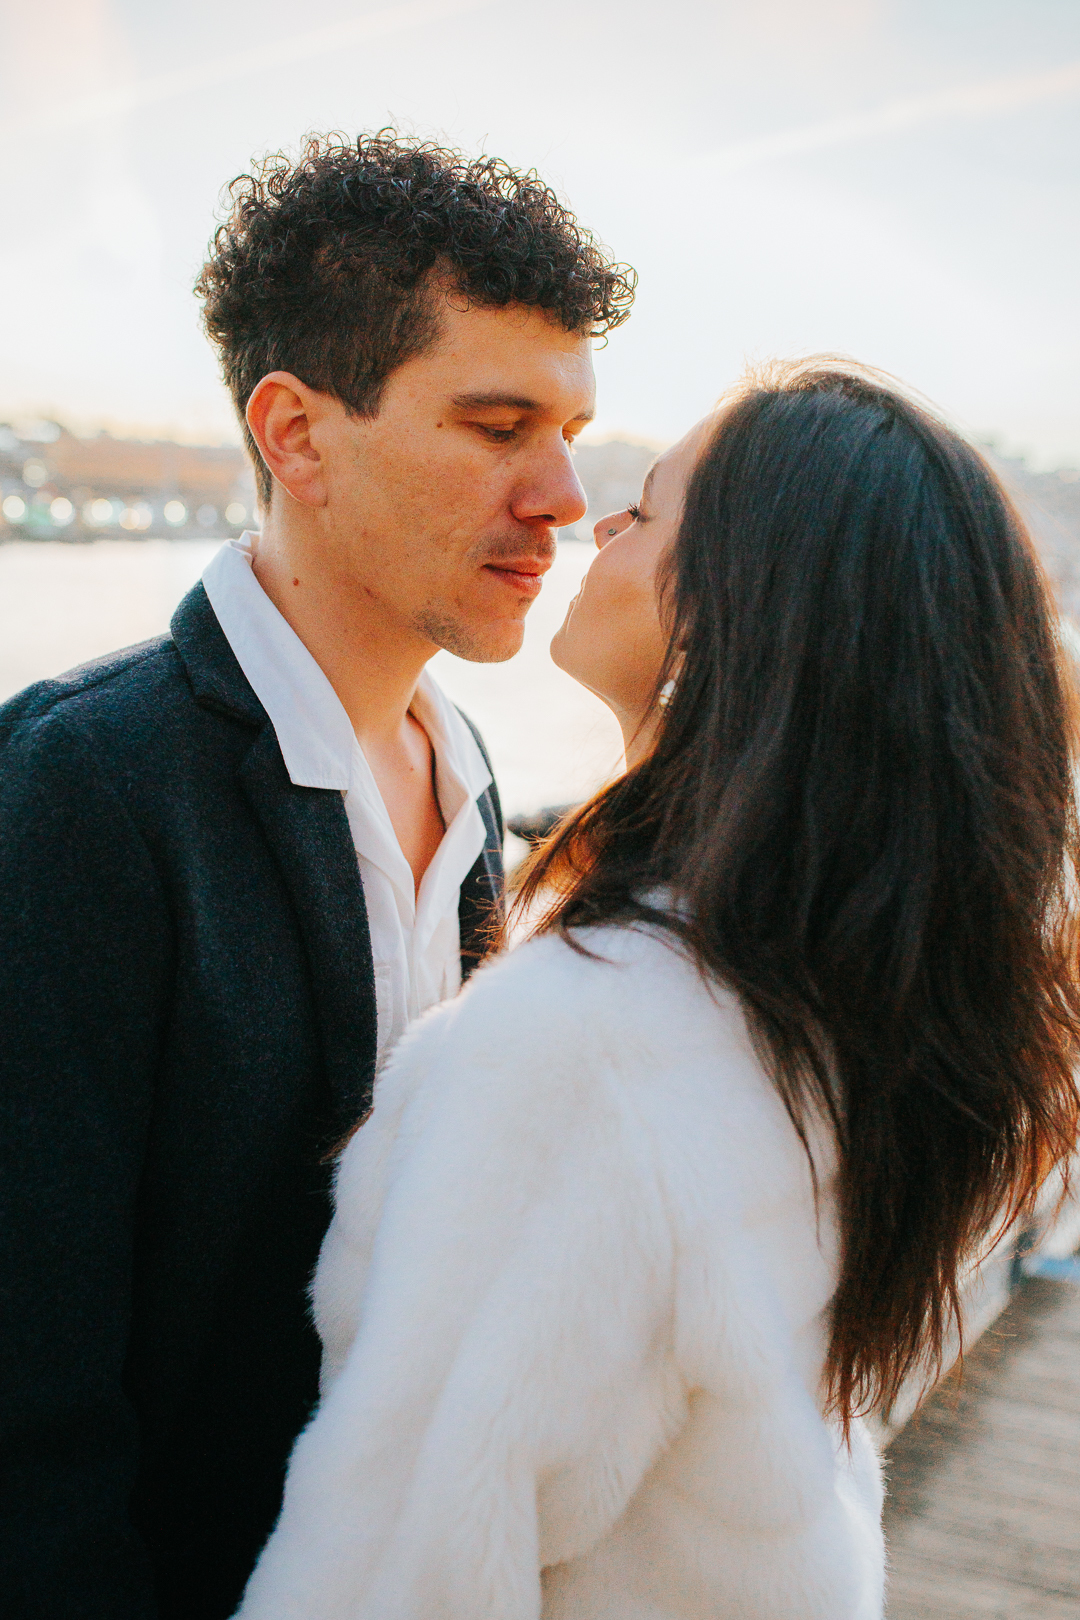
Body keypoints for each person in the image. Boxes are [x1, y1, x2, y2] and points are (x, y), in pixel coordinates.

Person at [236, 361, 1080, 1620]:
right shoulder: (852, 994)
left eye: (648, 509)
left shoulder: (596, 1044)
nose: (591, 522)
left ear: (744, 606)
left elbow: (403, 1576)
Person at [0, 133, 633, 1619]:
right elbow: (26, 1400)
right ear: (293, 432)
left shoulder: (466, 775)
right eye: (496, 424)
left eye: (574, 430)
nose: (562, 493)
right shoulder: (76, 791)